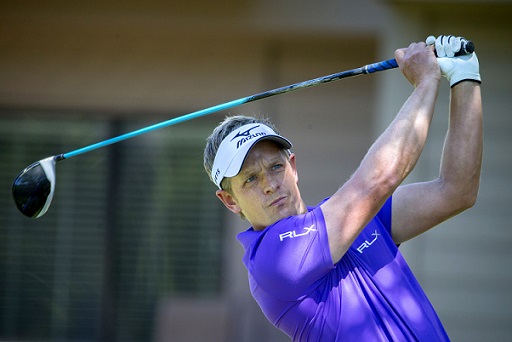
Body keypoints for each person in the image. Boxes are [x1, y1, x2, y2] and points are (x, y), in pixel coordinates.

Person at [203, 35, 482, 341]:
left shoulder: (351, 217)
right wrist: (427, 80)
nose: (270, 185)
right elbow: (378, 181)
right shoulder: (271, 259)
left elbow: (456, 191)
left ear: (293, 167)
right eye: (251, 179)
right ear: (230, 201)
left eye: (276, 167)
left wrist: (465, 77)